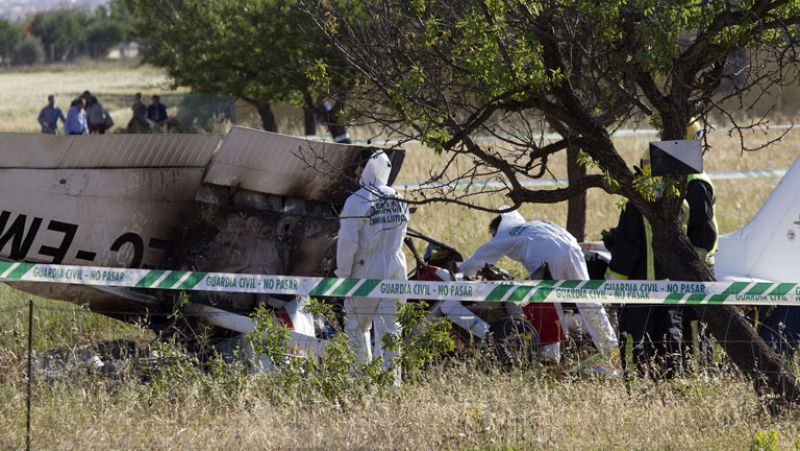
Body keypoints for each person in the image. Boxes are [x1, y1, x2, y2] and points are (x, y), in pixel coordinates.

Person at [459, 210, 618, 363]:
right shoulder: (536, 225)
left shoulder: (506, 233)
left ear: (498, 228)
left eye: (493, 234)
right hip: (573, 250)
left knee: (548, 306)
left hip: (548, 258)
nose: (494, 237)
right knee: (589, 300)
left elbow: (480, 258)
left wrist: (458, 275)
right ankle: (612, 351)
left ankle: (550, 357)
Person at [335, 148, 408, 381]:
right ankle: (391, 383)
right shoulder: (398, 197)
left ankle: (361, 380)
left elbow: (347, 242)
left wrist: (342, 274)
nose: (357, 171)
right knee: (391, 328)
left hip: (364, 268)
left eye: (359, 166)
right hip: (395, 265)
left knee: (357, 326)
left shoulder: (356, 201)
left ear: (365, 168)